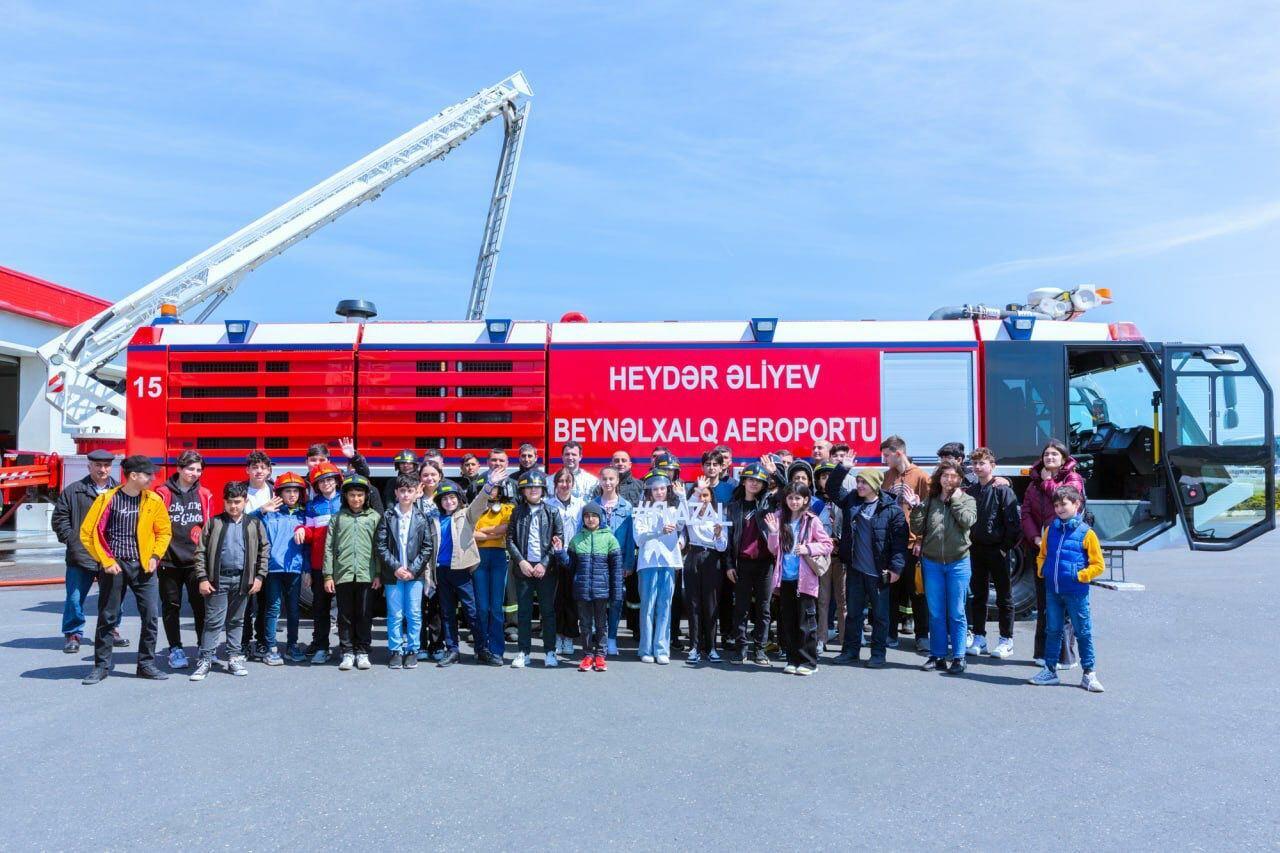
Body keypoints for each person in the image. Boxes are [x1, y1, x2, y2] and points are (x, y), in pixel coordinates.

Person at [79, 455, 173, 685]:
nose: (152, 478)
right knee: (108, 617)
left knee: (150, 616)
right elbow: (87, 534)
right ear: (133, 476)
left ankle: (146, 665)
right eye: (148, 474)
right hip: (115, 566)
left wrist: (155, 556)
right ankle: (101, 667)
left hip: (144, 567)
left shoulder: (153, 500)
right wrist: (105, 561)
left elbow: (164, 532)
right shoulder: (107, 499)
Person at [826, 468, 907, 667]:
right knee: (854, 614)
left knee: (880, 616)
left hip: (880, 573)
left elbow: (899, 543)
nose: (860, 485)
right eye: (859, 481)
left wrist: (896, 568)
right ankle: (850, 651)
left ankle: (878, 654)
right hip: (855, 570)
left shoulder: (892, 510)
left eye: (865, 482)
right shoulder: (852, 501)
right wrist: (842, 468)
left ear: (875, 485)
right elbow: (831, 488)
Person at [189, 481, 269, 681]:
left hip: (243, 580)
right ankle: (205, 659)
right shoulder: (214, 523)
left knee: (237, 621)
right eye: (230, 502)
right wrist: (202, 578)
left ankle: (234, 657)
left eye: (238, 502)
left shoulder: (254, 524)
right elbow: (200, 552)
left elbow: (264, 551)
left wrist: (259, 576)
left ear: (245, 501)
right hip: (218, 580)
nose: (234, 506)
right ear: (224, 502)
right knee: (213, 621)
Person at [1028, 485, 1105, 692]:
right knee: (1052, 630)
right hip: (1053, 591)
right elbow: (1042, 554)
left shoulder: (1087, 533)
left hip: (1076, 593)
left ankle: (1089, 673)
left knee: (1083, 632)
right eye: (1056, 505)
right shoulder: (1051, 529)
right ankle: (1050, 670)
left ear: (1076, 504)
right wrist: (1042, 570)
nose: (1059, 509)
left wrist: (1080, 576)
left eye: (1063, 504)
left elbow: (1098, 565)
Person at [907, 460, 977, 674]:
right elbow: (917, 527)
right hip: (932, 562)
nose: (949, 480)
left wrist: (954, 500)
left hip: (958, 562)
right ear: (939, 478)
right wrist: (916, 507)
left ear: (960, 478)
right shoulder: (931, 500)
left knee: (956, 612)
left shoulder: (967, 500)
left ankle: (958, 656)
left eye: (954, 476)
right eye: (945, 476)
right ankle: (937, 655)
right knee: (936, 612)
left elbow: (967, 521)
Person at [1021, 439, 1086, 669]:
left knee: (1065, 604)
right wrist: (1036, 539)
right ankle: (1042, 654)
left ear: (1064, 458)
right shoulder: (1033, 483)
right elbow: (1026, 513)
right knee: (1044, 603)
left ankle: (1065, 657)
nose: (1049, 458)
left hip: (1066, 548)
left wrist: (1047, 483)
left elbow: (1064, 503)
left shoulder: (1073, 479)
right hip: (1041, 549)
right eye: (1046, 454)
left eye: (1054, 454)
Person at [52, 448, 118, 654]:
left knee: (112, 597)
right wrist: (72, 540)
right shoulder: (73, 491)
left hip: (110, 555)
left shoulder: (120, 492)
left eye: (106, 465)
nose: (102, 469)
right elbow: (59, 518)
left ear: (111, 467)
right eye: (98, 465)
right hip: (80, 555)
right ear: (89, 466)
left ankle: (111, 630)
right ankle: (73, 633)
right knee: (74, 598)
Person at [764, 483, 834, 675]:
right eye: (790, 498)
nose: (794, 501)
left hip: (805, 580)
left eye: (798, 498)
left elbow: (827, 544)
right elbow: (773, 550)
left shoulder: (812, 520)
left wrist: (807, 548)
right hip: (785, 579)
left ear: (805, 500)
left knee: (806, 622)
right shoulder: (779, 518)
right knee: (789, 621)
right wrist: (773, 532)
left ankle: (809, 662)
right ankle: (792, 660)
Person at [154, 450, 213, 670]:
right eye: (190, 468)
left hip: (195, 562)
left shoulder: (205, 494)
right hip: (168, 561)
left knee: (200, 607)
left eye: (198, 470)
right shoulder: (161, 493)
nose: (194, 473)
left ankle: (203, 648)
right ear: (179, 468)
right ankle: (175, 649)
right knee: (171, 606)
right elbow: (153, 526)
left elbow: (208, 529)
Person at [376, 473, 438, 670]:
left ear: (416, 493)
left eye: (409, 491)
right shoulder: (387, 516)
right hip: (393, 575)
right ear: (396, 492)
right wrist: (396, 567)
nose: (405, 495)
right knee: (395, 614)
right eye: (402, 491)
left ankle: (412, 650)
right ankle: (395, 650)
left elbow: (427, 547)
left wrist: (412, 569)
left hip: (414, 575)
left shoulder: (421, 517)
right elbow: (380, 546)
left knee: (414, 613)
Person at [964, 448, 1021, 659]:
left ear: (993, 466)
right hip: (975, 550)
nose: (978, 467)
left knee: (1004, 597)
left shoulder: (1003, 490)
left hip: (998, 551)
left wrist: (1005, 548)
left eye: (982, 463)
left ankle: (1006, 640)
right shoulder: (971, 491)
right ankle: (979, 637)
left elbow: (1013, 523)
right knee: (978, 596)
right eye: (975, 463)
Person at [505, 469, 565, 668]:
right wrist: (521, 562)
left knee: (548, 611)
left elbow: (558, 539)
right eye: (529, 487)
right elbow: (510, 540)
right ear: (522, 491)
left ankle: (550, 651)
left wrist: (544, 563)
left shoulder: (552, 512)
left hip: (546, 570)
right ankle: (524, 652)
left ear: (543, 489)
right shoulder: (517, 512)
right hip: (523, 568)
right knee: (524, 612)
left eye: (537, 487)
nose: (533, 490)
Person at [323, 474, 381, 671]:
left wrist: (378, 573)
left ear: (366, 497)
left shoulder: (374, 517)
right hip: (343, 573)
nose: (356, 499)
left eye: (360, 495)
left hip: (367, 574)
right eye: (352, 495)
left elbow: (379, 548)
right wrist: (328, 575)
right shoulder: (338, 518)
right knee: (345, 615)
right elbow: (329, 548)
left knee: (364, 614)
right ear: (345, 497)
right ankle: (347, 651)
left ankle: (363, 651)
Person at [881, 435, 933, 650]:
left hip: (913, 544)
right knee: (891, 591)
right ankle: (890, 634)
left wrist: (920, 539)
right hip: (892, 544)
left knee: (917, 592)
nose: (884, 460)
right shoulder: (887, 476)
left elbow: (930, 511)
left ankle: (922, 636)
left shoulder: (921, 477)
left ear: (899, 453)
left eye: (886, 455)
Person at [432, 480, 491, 666]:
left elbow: (479, 503)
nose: (449, 502)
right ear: (439, 502)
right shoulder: (434, 519)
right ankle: (452, 650)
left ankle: (482, 649)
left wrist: (489, 485)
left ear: (459, 499)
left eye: (452, 497)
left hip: (461, 570)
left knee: (472, 611)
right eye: (444, 499)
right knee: (447, 612)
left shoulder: (466, 514)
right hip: (441, 571)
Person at [253, 471, 309, 665]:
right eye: (287, 491)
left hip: (295, 570)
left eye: (295, 491)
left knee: (293, 610)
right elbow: (247, 522)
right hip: (273, 570)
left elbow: (308, 545)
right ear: (279, 494)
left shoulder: (304, 516)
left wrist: (307, 569)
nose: (292, 495)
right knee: (273, 609)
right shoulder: (270, 514)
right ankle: (271, 648)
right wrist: (262, 509)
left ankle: (292, 646)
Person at [725, 463, 774, 666]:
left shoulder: (768, 505)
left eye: (759, 481)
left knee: (764, 609)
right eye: (751, 479)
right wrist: (729, 564)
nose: (754, 483)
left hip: (765, 564)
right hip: (742, 564)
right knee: (741, 608)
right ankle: (741, 648)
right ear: (743, 481)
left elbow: (786, 490)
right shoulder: (733, 507)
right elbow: (728, 539)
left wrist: (774, 473)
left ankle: (760, 649)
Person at [564, 502, 623, 672]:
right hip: (582, 590)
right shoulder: (576, 539)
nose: (590, 519)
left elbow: (616, 570)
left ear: (600, 518)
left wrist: (617, 593)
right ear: (583, 519)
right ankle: (588, 655)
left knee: (601, 624)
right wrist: (560, 552)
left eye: (594, 516)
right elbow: (570, 565)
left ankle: (600, 655)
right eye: (587, 516)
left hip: (602, 590)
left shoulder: (610, 539)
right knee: (585, 624)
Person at [633, 473, 683, 664]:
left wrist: (683, 497)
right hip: (648, 563)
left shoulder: (673, 509)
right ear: (649, 492)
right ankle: (646, 649)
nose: (659, 492)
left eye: (662, 488)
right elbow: (639, 538)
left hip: (668, 562)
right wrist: (658, 531)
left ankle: (662, 648)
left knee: (665, 605)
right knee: (647, 606)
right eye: (655, 489)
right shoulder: (641, 511)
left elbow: (683, 523)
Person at [682, 476, 728, 663]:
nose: (703, 499)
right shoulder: (690, 514)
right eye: (700, 496)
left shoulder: (718, 516)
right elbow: (686, 509)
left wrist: (718, 535)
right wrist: (697, 490)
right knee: (693, 604)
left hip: (712, 558)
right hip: (693, 556)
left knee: (711, 604)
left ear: (711, 498)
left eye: (706, 495)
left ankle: (711, 647)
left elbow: (722, 547)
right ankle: (694, 647)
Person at [302, 461, 343, 663]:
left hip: (344, 565)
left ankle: (346, 647)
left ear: (337, 480)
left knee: (346, 609)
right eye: (321, 481)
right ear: (316, 485)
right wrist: (307, 569)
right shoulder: (312, 506)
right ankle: (321, 647)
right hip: (319, 565)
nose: (326, 483)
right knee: (320, 609)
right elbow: (308, 540)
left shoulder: (347, 500)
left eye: (329, 479)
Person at [473, 476, 515, 665]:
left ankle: (496, 650)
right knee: (482, 607)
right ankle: (481, 648)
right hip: (478, 557)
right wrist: (493, 533)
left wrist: (484, 531)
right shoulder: (475, 508)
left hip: (499, 557)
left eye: (494, 488)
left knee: (496, 607)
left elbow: (505, 528)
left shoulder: (508, 508)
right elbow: (471, 532)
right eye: (486, 487)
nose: (491, 491)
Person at [596, 467, 636, 655]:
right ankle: (601, 637)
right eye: (604, 479)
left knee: (616, 600)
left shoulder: (626, 507)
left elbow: (630, 539)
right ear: (600, 481)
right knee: (599, 601)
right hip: (598, 561)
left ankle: (612, 638)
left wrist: (628, 563)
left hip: (618, 562)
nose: (608, 482)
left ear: (617, 480)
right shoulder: (593, 506)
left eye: (611, 478)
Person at [547, 468, 585, 658]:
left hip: (572, 555)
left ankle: (569, 636)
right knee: (555, 598)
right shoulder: (548, 504)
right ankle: (556, 636)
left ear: (573, 484)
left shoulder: (581, 505)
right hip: (552, 555)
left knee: (571, 598)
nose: (564, 485)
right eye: (561, 481)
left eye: (568, 481)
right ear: (555, 484)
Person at [240, 450, 274, 661]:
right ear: (247, 470)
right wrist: (261, 510)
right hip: (245, 552)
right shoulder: (240, 491)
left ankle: (262, 641)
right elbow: (237, 519)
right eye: (255, 467)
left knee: (265, 601)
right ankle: (243, 642)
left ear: (269, 471)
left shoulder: (275, 491)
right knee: (245, 602)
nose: (259, 471)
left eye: (263, 467)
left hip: (268, 553)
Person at [812, 461, 845, 651]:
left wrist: (841, 543)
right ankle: (821, 638)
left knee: (843, 600)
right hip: (822, 556)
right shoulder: (814, 502)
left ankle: (845, 639)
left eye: (831, 477)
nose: (827, 480)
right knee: (822, 599)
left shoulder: (844, 499)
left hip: (841, 556)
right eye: (823, 477)